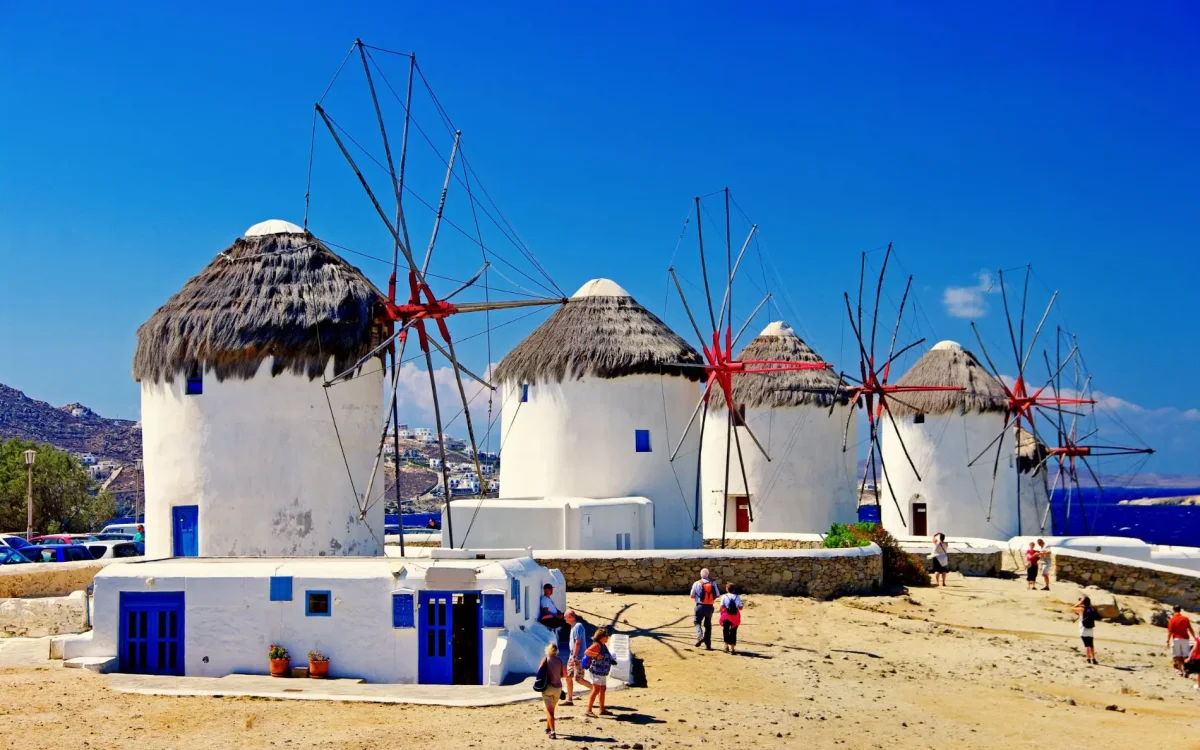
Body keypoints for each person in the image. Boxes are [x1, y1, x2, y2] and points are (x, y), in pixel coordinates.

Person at [584, 627, 616, 718]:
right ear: (602, 637)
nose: (608, 638)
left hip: (602, 672)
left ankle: (602, 709)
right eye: (606, 636)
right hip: (597, 671)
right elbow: (587, 652)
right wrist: (597, 655)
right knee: (596, 689)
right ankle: (588, 710)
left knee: (602, 689)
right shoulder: (597, 645)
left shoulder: (603, 645)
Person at [562, 610, 591, 705]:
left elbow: (578, 642)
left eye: (565, 617)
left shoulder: (578, 626)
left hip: (578, 657)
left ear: (570, 617)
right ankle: (569, 699)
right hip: (573, 657)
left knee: (579, 679)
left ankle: (596, 690)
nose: (564, 619)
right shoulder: (573, 627)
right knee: (568, 677)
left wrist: (574, 657)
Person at [537, 642, 564, 739]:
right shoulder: (560, 660)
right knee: (551, 708)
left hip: (548, 688)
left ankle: (553, 732)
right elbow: (564, 674)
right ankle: (548, 727)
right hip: (558, 688)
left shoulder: (545, 660)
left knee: (549, 711)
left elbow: (539, 672)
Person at [689, 568, 720, 649]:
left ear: (701, 575)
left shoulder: (696, 583)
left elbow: (692, 596)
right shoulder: (713, 583)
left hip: (699, 606)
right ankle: (708, 645)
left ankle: (700, 636)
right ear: (708, 574)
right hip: (709, 607)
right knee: (708, 625)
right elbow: (718, 595)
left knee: (697, 622)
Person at [1165, 605, 1196, 676]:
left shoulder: (1172, 620)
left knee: (1178, 656)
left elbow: (1170, 632)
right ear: (1180, 610)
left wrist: (1168, 641)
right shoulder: (1185, 619)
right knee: (1186, 656)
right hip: (1185, 639)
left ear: (1173, 610)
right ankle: (1186, 670)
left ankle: (1180, 671)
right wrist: (1194, 637)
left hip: (1176, 639)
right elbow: (1190, 629)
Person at [1072, 596, 1098, 664]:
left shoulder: (1081, 609)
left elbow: (1072, 608)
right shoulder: (1091, 609)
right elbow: (1089, 608)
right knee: (1091, 645)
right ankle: (1094, 659)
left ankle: (1088, 659)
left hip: (1083, 628)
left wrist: (1079, 603)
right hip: (1090, 628)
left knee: (1086, 645)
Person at [719, 582, 743, 655]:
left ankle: (726, 646)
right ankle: (733, 648)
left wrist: (721, 614)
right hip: (735, 617)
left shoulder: (724, 596)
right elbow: (741, 608)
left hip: (726, 616)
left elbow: (722, 607)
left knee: (725, 630)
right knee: (733, 632)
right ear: (734, 590)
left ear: (727, 589)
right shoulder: (737, 597)